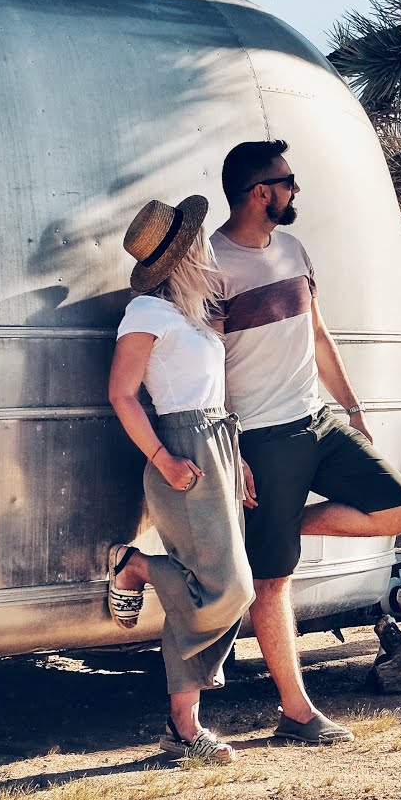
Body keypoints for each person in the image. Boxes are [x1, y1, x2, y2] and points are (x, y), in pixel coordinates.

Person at [210, 139, 401, 745]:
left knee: (399, 509)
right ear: (259, 192)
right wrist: (234, 448)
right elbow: (212, 368)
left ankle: (289, 524)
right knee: (272, 582)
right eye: (287, 180)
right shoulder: (215, 266)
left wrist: (352, 409)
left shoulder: (295, 249)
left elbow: (319, 336)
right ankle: (297, 714)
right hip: (262, 436)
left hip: (318, 421)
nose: (295, 190)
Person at [106, 197, 255, 765]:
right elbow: (122, 395)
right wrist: (165, 458)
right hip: (181, 452)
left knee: (211, 586)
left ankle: (184, 727)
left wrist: (234, 456)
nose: (206, 246)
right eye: (197, 240)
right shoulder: (145, 312)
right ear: (182, 254)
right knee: (230, 586)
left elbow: (211, 396)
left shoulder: (191, 315)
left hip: (216, 446)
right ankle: (136, 566)